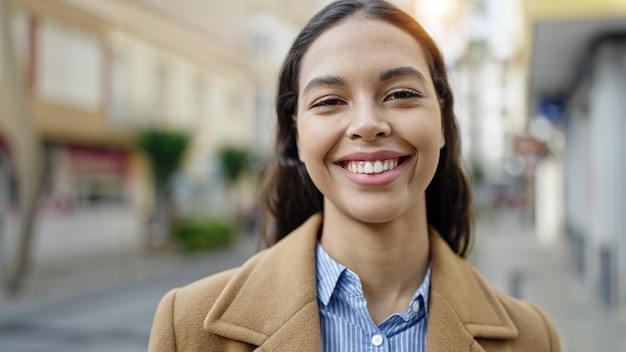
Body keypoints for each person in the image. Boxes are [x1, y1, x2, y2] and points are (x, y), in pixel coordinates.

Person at [148, 0, 561, 351]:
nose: (367, 124)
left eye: (401, 93)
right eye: (329, 101)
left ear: (441, 120)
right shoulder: (187, 327)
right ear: (296, 133)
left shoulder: (531, 338)